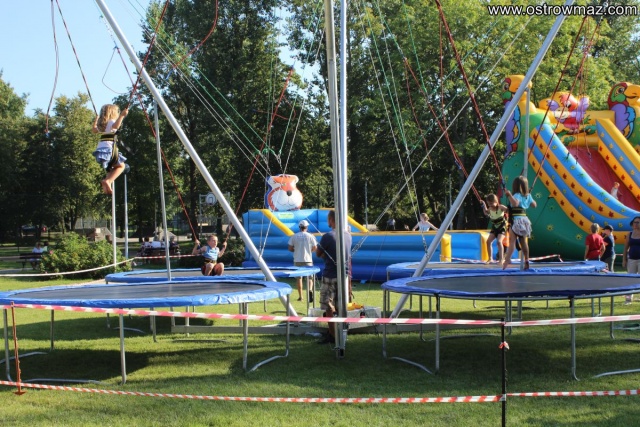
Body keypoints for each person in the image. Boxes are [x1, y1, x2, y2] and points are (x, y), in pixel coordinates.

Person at [316, 210, 352, 344]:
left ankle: (332, 335)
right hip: (344, 276)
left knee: (328, 305)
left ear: (331, 220)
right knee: (339, 305)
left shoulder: (327, 236)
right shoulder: (348, 236)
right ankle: (339, 332)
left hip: (330, 275)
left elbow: (318, 253)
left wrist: (326, 255)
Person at [92, 104, 129, 195]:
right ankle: (108, 181)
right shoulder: (111, 121)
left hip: (101, 149)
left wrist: (96, 120)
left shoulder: (102, 125)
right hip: (109, 149)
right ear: (113, 113)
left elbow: (94, 130)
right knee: (121, 166)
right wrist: (122, 116)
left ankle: (106, 184)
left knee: (111, 168)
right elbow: (116, 126)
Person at [503, 176, 537, 270]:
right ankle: (527, 259)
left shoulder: (517, 195)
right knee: (524, 242)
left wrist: (509, 195)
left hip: (516, 221)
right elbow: (534, 205)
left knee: (512, 242)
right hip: (524, 220)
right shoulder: (528, 195)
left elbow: (515, 204)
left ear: (515, 186)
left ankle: (507, 260)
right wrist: (528, 198)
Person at [288, 220, 318, 301]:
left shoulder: (294, 236)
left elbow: (290, 248)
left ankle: (301, 296)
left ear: (299, 227)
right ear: (307, 227)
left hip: (297, 259)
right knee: (310, 278)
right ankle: (310, 290)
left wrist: (296, 250)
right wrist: (309, 251)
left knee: (299, 278)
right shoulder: (310, 236)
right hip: (308, 259)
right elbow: (315, 247)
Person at [480, 194, 508, 263]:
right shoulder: (490, 208)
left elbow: (508, 210)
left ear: (496, 201)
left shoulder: (501, 207)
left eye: (491, 203)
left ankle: (501, 259)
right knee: (488, 241)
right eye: (489, 204)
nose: (490, 205)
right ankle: (490, 258)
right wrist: (484, 205)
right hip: (495, 227)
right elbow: (486, 213)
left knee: (499, 241)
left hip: (502, 227)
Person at [622, 216, 640, 304]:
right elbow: (626, 248)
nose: (636, 224)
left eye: (638, 222)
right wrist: (624, 260)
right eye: (634, 222)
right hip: (631, 260)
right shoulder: (629, 234)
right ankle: (628, 299)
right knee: (630, 279)